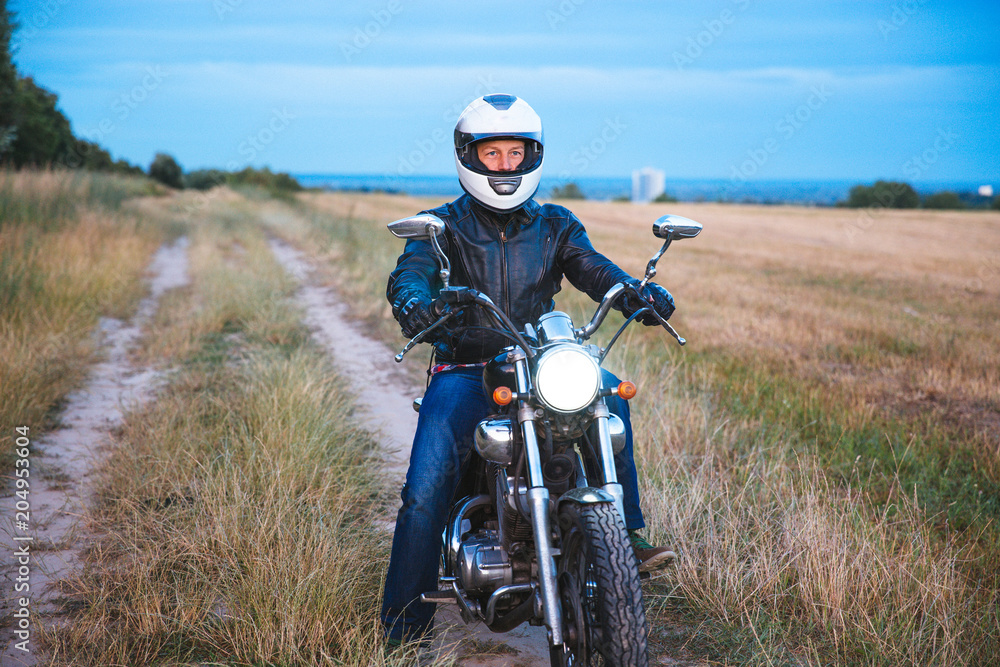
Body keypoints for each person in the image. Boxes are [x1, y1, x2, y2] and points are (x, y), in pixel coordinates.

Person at [381, 93, 677, 644]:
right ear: (469, 156)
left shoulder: (556, 225)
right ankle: (402, 635)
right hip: (466, 368)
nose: (505, 165)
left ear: (532, 155)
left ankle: (626, 537)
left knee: (609, 397)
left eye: (515, 153)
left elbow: (596, 271)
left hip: (540, 365)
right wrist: (416, 303)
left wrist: (636, 295)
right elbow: (411, 274)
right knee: (425, 491)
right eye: (492, 154)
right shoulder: (439, 227)